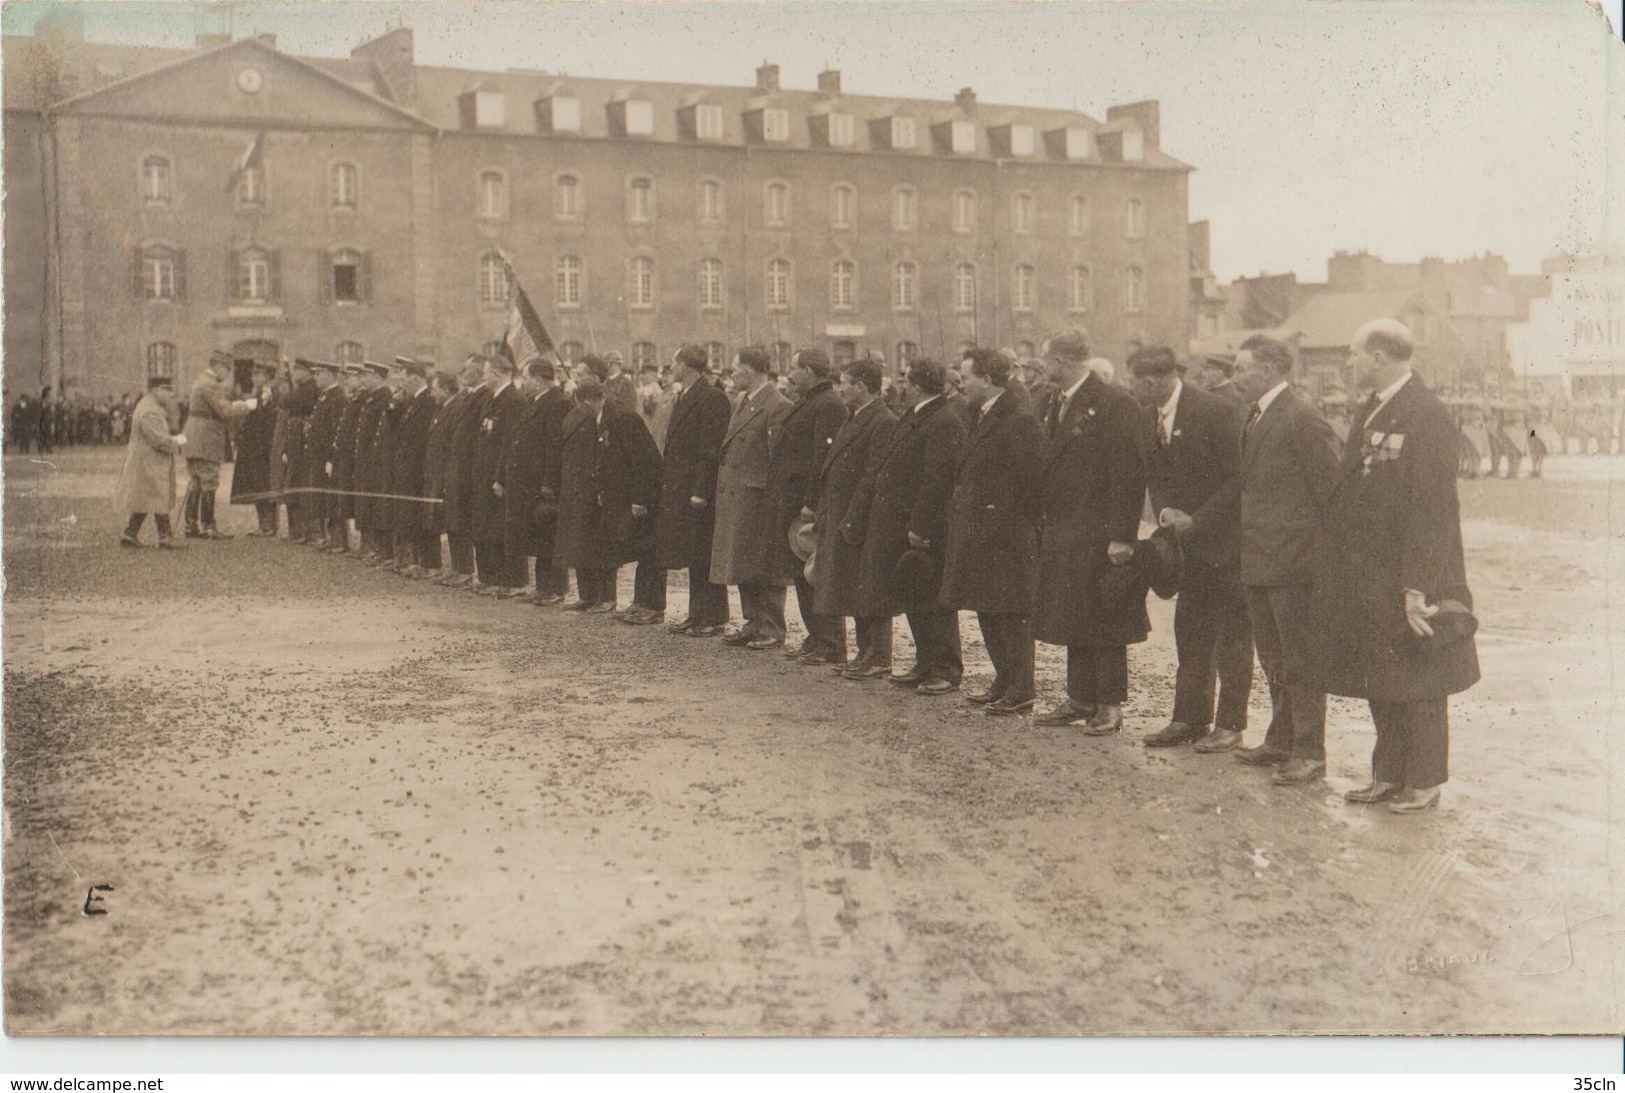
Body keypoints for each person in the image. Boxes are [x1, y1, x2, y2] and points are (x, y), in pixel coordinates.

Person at [1307, 320, 1480, 813]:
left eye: (1353, 353)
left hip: (1411, 573)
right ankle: (1389, 773)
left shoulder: (1427, 414)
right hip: (1369, 573)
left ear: (1379, 357)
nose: (1348, 362)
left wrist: (1416, 585)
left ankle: (1423, 780)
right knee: (1381, 674)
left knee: (1421, 678)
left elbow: (1434, 509)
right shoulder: (1373, 407)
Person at [1226, 335, 1340, 785]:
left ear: (1270, 369)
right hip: (1260, 558)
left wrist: (1317, 557)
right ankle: (1281, 740)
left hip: (1294, 564)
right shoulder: (1255, 415)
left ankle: (1309, 752)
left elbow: (1330, 491)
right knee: (1273, 656)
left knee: (1301, 660)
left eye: (1242, 369)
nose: (1235, 378)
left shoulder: (1301, 417)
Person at [1128, 345, 1253, 751]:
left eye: (1134, 381)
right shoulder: (1148, 416)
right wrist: (1164, 511)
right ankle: (1189, 719)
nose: (1130, 388)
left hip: (1224, 545)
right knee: (1191, 631)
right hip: (1186, 549)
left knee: (1232, 638)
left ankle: (1230, 726)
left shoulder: (1215, 411)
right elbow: (1154, 474)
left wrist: (1197, 519)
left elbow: (1238, 479)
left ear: (1150, 381)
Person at [1031, 330, 1148, 733]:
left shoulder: (1114, 403)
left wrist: (1121, 535)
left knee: (1104, 615)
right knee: (1072, 613)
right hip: (1065, 527)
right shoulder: (1055, 402)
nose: (1043, 368)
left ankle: (1110, 704)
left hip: (1098, 531)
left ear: (1061, 362)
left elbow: (1128, 474)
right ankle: (1080, 697)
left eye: (1046, 361)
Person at [939, 347, 1043, 714]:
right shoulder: (981, 416)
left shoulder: (1018, 420)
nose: (962, 383)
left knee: (1011, 614)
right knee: (988, 610)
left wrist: (1004, 518)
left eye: (967, 377)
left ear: (988, 379)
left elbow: (1032, 484)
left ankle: (1022, 687)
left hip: (1005, 536)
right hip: (980, 532)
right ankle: (1004, 679)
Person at [856, 357, 966, 695]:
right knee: (915, 593)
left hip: (925, 527)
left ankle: (946, 668)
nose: (900, 386)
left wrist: (920, 525)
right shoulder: (917, 414)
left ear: (916, 386)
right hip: (902, 522)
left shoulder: (943, 420)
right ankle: (926, 661)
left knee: (933, 598)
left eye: (904, 381)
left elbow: (937, 481)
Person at [811, 357, 899, 679]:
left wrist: (853, 519)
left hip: (862, 519)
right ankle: (865, 652)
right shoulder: (856, 416)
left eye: (845, 383)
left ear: (862, 386)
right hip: (844, 515)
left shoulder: (882, 420)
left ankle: (878, 656)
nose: (840, 389)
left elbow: (872, 476)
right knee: (855, 587)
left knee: (870, 588)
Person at [767, 348, 850, 665]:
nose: (790, 374)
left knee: (815, 571)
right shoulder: (809, 400)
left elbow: (821, 460)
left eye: (794, 368)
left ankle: (830, 643)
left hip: (806, 503)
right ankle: (816, 637)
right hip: (793, 500)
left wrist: (811, 504)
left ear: (809, 371)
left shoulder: (828, 405)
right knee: (801, 571)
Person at [555, 377, 662, 613]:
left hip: (636, 498)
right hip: (614, 496)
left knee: (640, 550)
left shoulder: (622, 419)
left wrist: (639, 499)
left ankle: (639, 604)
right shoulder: (604, 417)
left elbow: (644, 462)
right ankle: (623, 601)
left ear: (588, 401)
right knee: (609, 544)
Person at [711, 346, 794, 649]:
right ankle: (753, 621)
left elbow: (778, 459)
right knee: (744, 559)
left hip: (759, 496)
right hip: (740, 494)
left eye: (735, 369)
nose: (732, 375)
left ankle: (771, 626)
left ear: (749, 370)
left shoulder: (777, 404)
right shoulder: (743, 401)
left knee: (765, 563)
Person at [656, 345, 733, 637]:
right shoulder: (686, 395)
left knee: (703, 553)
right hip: (681, 486)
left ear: (685, 365)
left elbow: (710, 449)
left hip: (697, 490)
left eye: (674, 363)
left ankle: (713, 617)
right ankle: (697, 613)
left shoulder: (711, 398)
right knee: (692, 552)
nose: (671, 368)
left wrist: (701, 489)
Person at [497, 357, 572, 605]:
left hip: (542, 484)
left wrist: (548, 484)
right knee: (538, 537)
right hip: (526, 483)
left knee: (548, 535)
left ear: (539, 380)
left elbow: (554, 447)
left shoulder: (558, 403)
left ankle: (554, 589)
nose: (523, 383)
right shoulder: (535, 402)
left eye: (527, 378)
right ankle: (542, 588)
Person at [468, 354, 529, 596]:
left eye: (486, 373)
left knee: (502, 529)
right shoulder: (492, 400)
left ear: (497, 372)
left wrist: (500, 476)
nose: (484, 377)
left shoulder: (513, 400)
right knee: (486, 527)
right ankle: (490, 577)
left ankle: (512, 582)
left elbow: (509, 442)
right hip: (484, 474)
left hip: (500, 475)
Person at [183, 350, 251, 539]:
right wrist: (242, 406)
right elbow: (225, 411)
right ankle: (208, 526)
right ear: (218, 366)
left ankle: (191, 525)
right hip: (207, 436)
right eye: (227, 369)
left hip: (195, 435)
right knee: (209, 480)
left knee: (196, 480)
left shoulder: (201, 379)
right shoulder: (211, 384)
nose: (228, 374)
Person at [114, 375, 187, 549]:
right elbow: (159, 440)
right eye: (166, 390)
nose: (170, 394)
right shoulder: (150, 411)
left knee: (148, 495)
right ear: (155, 389)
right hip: (149, 461)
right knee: (158, 494)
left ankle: (130, 533)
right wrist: (178, 441)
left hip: (148, 460)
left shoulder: (150, 406)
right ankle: (164, 537)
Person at [439, 356, 492, 587]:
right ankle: (458, 567)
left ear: (479, 371)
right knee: (454, 518)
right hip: (456, 467)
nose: (464, 372)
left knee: (464, 520)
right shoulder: (467, 396)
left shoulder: (483, 397)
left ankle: (467, 570)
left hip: (467, 468)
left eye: (468, 369)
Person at [386, 358, 441, 576]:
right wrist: (393, 405)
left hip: (418, 468)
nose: (402, 385)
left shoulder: (427, 401)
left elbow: (421, 438)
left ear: (417, 379)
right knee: (407, 514)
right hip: (406, 467)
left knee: (420, 516)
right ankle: (413, 560)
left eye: (405, 380)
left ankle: (426, 563)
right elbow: (397, 431)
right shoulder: (411, 401)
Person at [229, 360, 281, 536]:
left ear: (266, 376)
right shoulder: (257, 393)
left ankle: (270, 525)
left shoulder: (270, 393)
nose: (253, 378)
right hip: (253, 446)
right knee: (256, 485)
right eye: (253, 375)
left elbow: (269, 421)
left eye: (258, 375)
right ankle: (263, 525)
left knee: (265, 484)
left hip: (263, 447)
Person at [300, 360, 347, 548]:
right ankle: (328, 537)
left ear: (330, 374)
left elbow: (337, 431)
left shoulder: (337, 397)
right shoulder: (324, 396)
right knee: (321, 498)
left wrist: (330, 458)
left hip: (327, 457)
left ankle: (338, 539)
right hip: (316, 456)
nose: (316, 377)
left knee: (333, 498)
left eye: (320, 374)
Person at [326, 363, 367, 552]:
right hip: (341, 456)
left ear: (360, 379)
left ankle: (345, 541)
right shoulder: (352, 399)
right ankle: (338, 540)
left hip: (351, 457)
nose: (346, 380)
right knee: (338, 499)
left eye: (350, 377)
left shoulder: (362, 400)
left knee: (348, 500)